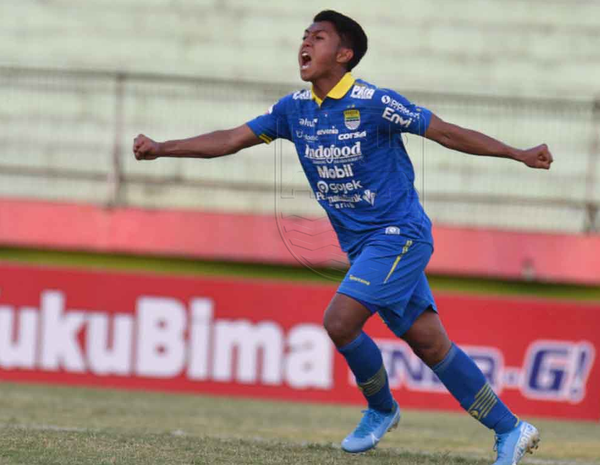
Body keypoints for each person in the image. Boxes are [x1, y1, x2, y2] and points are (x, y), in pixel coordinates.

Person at [133, 10, 552, 464]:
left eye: (318, 36)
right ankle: (511, 428)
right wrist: (162, 148)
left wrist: (517, 154)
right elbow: (232, 138)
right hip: (365, 248)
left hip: (401, 236)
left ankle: (380, 408)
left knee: (339, 321)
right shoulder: (292, 110)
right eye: (304, 36)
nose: (305, 44)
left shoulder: (375, 102)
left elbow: (446, 132)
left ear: (344, 54)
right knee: (430, 344)